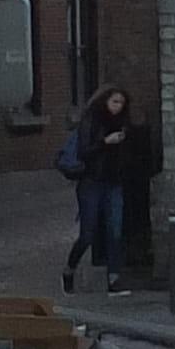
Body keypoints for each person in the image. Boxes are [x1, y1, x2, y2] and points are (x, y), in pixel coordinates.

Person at [63, 85, 149, 295]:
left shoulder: (124, 124)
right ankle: (69, 270)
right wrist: (105, 142)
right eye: (114, 102)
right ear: (105, 101)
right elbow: (84, 152)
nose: (117, 107)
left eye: (121, 103)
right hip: (91, 182)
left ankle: (114, 279)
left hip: (114, 183)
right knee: (88, 234)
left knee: (115, 231)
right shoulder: (91, 120)